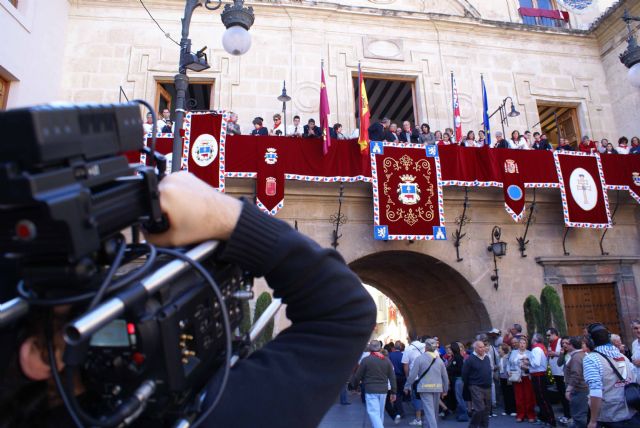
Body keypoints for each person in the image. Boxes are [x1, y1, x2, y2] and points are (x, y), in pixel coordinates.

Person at [1, 171, 377, 428]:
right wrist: (230, 218)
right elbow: (343, 313)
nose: (114, 285)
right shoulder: (203, 415)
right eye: (95, 283)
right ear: (38, 354)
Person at [583, 322, 640, 428]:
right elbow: (635, 378)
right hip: (631, 413)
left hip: (610, 417)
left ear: (590, 340)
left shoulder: (591, 359)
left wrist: (593, 421)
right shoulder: (622, 356)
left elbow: (595, 391)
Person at [352, 340, 398, 428]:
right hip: (383, 390)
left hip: (371, 389)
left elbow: (358, 375)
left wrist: (354, 385)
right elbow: (392, 377)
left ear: (370, 348)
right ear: (379, 348)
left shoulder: (366, 360)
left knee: (373, 412)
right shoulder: (386, 360)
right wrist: (393, 391)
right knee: (380, 413)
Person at [404, 338, 449, 428]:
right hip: (437, 387)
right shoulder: (439, 360)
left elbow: (412, 375)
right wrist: (445, 389)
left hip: (425, 387)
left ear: (426, 348)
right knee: (434, 412)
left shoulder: (419, 359)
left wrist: (407, 386)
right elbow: (445, 376)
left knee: (429, 411)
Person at [462, 340, 493, 428]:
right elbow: (464, 374)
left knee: (487, 410)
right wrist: (470, 385)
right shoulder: (470, 359)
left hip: (487, 386)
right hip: (475, 386)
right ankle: (472, 426)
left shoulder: (486, 357)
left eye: (483, 346)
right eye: (480, 347)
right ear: (475, 348)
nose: (483, 349)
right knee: (479, 409)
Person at [530, 333, 557, 427]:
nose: (531, 339)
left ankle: (551, 420)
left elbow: (536, 363)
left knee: (542, 399)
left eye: (532, 338)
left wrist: (527, 362)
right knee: (541, 399)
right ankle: (545, 418)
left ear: (535, 340)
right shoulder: (541, 347)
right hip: (540, 375)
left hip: (538, 376)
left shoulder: (536, 349)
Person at [508, 336, 536, 423]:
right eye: (520, 343)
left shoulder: (530, 353)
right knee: (518, 397)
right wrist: (508, 371)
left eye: (524, 343)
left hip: (527, 377)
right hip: (517, 378)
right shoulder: (513, 352)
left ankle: (530, 414)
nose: (522, 345)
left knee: (529, 397)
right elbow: (509, 364)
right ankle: (520, 414)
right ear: (518, 344)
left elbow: (534, 365)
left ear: (526, 344)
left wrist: (527, 366)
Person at [563, 336, 588, 428]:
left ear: (571, 345)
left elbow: (576, 374)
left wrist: (569, 389)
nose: (565, 345)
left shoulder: (576, 357)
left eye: (567, 343)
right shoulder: (581, 355)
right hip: (582, 389)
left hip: (579, 389)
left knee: (579, 416)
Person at [547, 328, 570, 424]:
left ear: (554, 334)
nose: (547, 337)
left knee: (565, 395)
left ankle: (568, 415)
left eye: (548, 335)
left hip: (561, 373)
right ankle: (566, 414)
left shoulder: (561, 341)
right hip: (555, 372)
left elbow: (565, 353)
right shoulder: (550, 343)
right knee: (561, 394)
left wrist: (554, 353)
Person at [402, 335, 426, 426]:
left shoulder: (408, 349)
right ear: (418, 337)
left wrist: (408, 379)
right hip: (427, 377)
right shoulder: (425, 346)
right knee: (427, 397)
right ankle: (429, 417)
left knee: (416, 398)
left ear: (408, 339)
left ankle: (418, 418)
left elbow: (406, 366)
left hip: (415, 378)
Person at [448, 342, 469, 422]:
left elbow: (460, 369)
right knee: (458, 397)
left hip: (459, 379)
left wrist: (450, 369)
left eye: (450, 348)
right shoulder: (455, 357)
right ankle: (461, 414)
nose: (449, 350)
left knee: (460, 398)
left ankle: (464, 415)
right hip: (456, 379)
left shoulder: (458, 357)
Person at [386, 342, 406, 422]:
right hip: (401, 377)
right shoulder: (403, 355)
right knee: (399, 394)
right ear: (401, 347)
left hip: (392, 377)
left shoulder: (390, 355)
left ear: (394, 347)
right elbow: (405, 366)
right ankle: (399, 410)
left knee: (393, 393)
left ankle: (397, 410)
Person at [498, 344, 516, 417]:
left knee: (510, 394)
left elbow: (510, 368)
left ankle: (513, 410)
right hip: (502, 378)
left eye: (500, 349)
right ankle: (507, 410)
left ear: (503, 350)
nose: (498, 350)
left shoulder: (508, 358)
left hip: (508, 378)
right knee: (505, 394)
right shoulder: (500, 358)